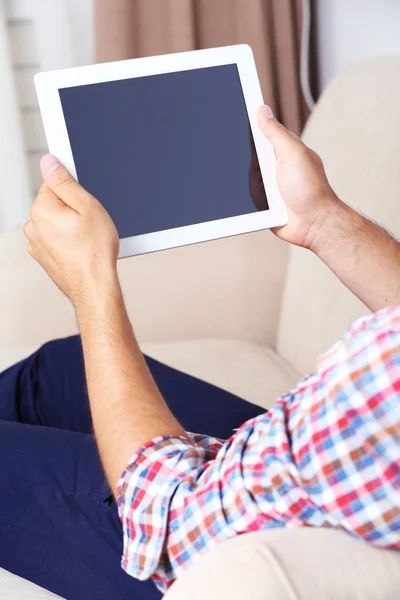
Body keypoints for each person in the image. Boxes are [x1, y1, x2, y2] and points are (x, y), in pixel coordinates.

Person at [1, 105, 399, 600]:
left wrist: (92, 285)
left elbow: (174, 529)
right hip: (334, 467)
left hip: (218, 555)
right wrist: (321, 218)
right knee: (59, 370)